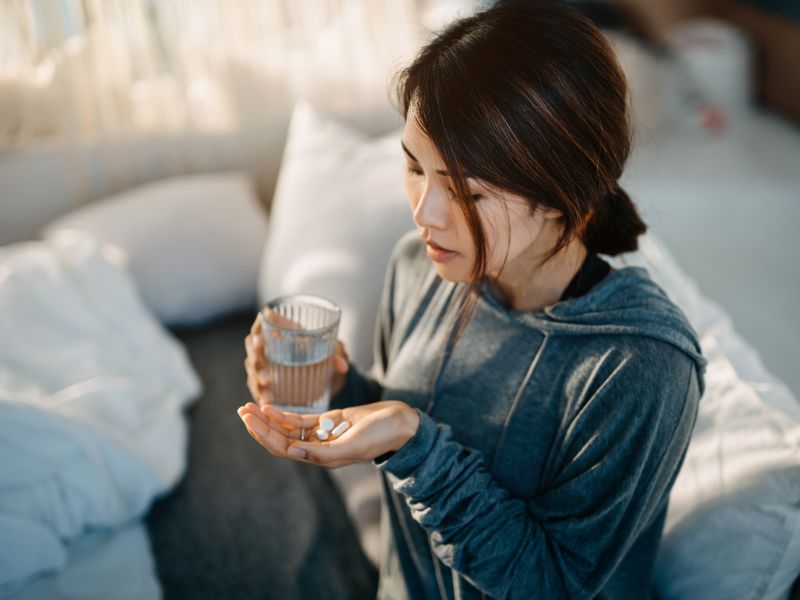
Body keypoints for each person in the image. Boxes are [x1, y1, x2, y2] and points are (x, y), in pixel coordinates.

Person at [239, 2, 706, 598]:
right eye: (414, 168)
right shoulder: (418, 267)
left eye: (466, 192)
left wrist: (415, 445)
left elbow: (556, 583)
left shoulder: (642, 367)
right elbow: (406, 411)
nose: (423, 213)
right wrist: (340, 390)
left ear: (565, 193)